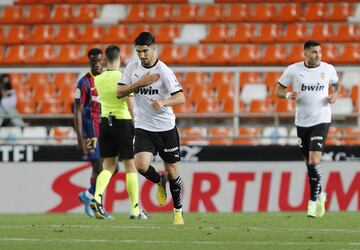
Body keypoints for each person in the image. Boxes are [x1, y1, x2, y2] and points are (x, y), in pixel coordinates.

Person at [117, 32, 186, 225]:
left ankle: (178, 211)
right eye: (138, 51)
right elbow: (119, 92)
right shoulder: (132, 67)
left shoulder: (164, 71)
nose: (142, 55)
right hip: (144, 126)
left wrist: (163, 102)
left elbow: (181, 97)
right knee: (140, 166)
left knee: (172, 171)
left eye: (145, 51)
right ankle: (159, 181)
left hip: (165, 128)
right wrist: (139, 83)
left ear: (154, 48)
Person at [275, 40, 339, 218]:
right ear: (305, 54)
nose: (317, 55)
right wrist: (288, 95)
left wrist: (334, 95)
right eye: (313, 52)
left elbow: (336, 84)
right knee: (310, 164)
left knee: (313, 159)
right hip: (302, 123)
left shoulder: (328, 69)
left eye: (319, 52)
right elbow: (277, 90)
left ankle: (312, 203)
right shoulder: (293, 70)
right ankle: (320, 194)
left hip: (321, 119)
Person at [89, 45, 148, 220]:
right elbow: (130, 104)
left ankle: (97, 197)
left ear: (105, 60)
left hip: (105, 123)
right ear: (121, 59)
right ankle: (135, 209)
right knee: (130, 166)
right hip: (122, 123)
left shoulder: (98, 79)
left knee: (108, 166)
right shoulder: (123, 77)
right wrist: (136, 124)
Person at [74, 48, 109, 218]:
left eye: (99, 61)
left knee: (110, 167)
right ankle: (97, 203)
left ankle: (87, 196)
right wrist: (80, 138)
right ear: (89, 62)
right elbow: (78, 111)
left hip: (105, 131)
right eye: (93, 61)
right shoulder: (84, 83)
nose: (96, 64)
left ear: (104, 61)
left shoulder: (106, 80)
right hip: (90, 132)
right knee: (99, 168)